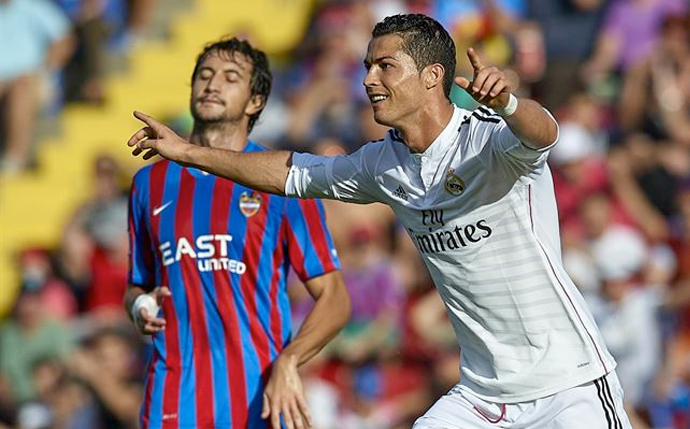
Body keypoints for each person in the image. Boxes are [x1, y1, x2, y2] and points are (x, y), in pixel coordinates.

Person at [127, 14, 632, 429]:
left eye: (385, 66)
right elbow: (287, 173)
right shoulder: (381, 164)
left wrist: (511, 105)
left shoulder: (487, 137)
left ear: (431, 76)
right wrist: (189, 153)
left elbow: (544, 134)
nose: (368, 79)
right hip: (484, 396)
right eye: (368, 66)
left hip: (567, 382)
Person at [124, 37, 350, 429]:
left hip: (256, 397)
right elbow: (137, 284)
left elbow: (335, 298)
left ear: (255, 102)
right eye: (205, 75)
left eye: (230, 78)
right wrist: (139, 306)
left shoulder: (281, 181)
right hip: (172, 394)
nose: (212, 85)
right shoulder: (149, 183)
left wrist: (290, 360)